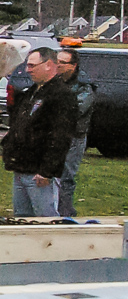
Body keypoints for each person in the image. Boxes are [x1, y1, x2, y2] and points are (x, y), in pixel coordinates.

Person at [1, 48, 76, 217]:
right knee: (21, 217)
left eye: (32, 65)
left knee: (45, 218)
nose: (28, 70)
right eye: (27, 65)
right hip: (21, 166)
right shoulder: (32, 92)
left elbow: (61, 136)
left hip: (39, 172)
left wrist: (47, 170)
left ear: (48, 65)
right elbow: (19, 122)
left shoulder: (61, 95)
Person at [55, 48, 95, 217]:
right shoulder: (53, 82)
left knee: (66, 176)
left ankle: (65, 213)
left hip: (73, 137)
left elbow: (75, 110)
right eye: (57, 61)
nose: (58, 65)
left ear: (73, 66)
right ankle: (50, 210)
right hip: (53, 135)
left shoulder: (84, 86)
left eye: (62, 63)